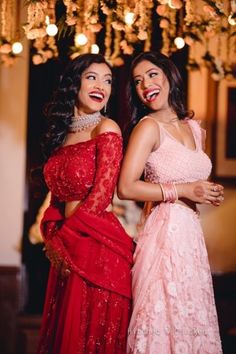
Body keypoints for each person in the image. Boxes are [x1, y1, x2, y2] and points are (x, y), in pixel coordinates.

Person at [118, 51, 223, 353]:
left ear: (168, 76)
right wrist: (185, 190)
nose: (145, 84)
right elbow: (126, 187)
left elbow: (191, 182)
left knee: (191, 322)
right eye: (137, 81)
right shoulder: (148, 127)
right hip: (164, 235)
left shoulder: (194, 128)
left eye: (152, 74)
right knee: (164, 320)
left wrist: (204, 191)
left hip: (191, 237)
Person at [37, 53, 134, 354]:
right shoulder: (63, 135)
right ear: (74, 83)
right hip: (68, 247)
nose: (101, 86)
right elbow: (56, 195)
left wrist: (62, 241)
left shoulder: (106, 129)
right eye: (92, 77)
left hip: (97, 247)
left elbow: (102, 195)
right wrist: (51, 234)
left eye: (107, 80)